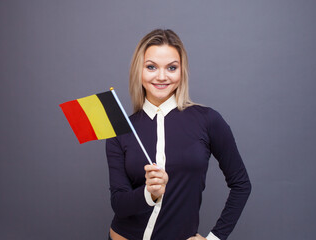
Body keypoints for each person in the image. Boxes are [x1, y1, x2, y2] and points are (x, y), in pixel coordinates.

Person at [106, 29, 251, 240]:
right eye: (151, 67)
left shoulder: (207, 120)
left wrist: (214, 238)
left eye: (172, 67)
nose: (162, 76)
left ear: (182, 71)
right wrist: (150, 194)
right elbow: (119, 204)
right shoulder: (121, 130)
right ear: (139, 70)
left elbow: (241, 184)